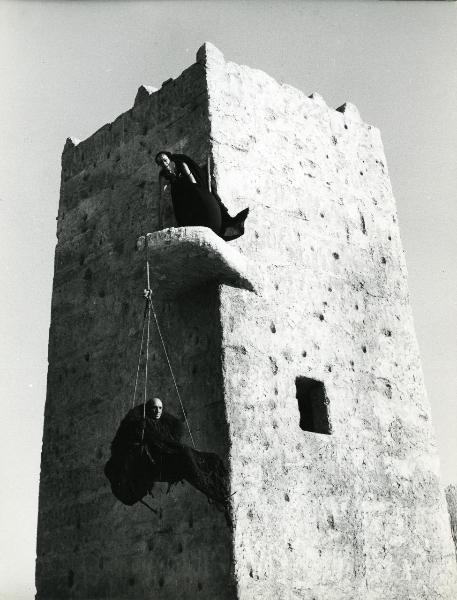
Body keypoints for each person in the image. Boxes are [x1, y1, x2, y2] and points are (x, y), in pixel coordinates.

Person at [104, 397, 231, 523]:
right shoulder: (140, 427)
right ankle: (217, 495)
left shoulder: (164, 428)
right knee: (186, 456)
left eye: (160, 408)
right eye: (154, 408)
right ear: (148, 410)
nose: (158, 411)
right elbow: (131, 448)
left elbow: (170, 439)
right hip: (158, 463)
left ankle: (223, 489)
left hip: (167, 455)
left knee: (211, 459)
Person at [155, 151, 249, 241]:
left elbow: (191, 179)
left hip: (190, 186)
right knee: (181, 211)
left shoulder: (180, 164)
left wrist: (198, 193)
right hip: (178, 190)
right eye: (160, 162)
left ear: (169, 158)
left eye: (164, 160)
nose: (163, 163)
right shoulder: (162, 174)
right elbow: (162, 193)